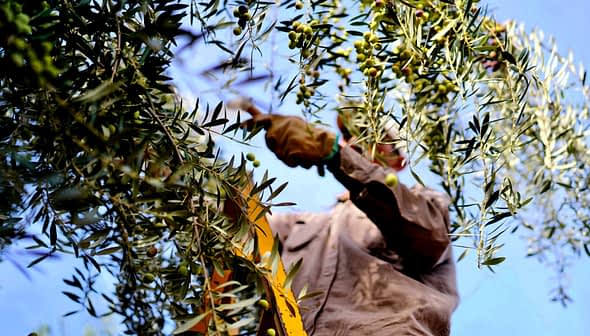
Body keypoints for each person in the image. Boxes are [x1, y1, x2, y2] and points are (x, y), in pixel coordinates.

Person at [242, 104, 459, 336]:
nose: (356, 138)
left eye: (369, 132)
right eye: (348, 133)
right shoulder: (304, 225)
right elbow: (241, 225)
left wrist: (337, 156)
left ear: (399, 161)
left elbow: (429, 236)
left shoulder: (423, 203)